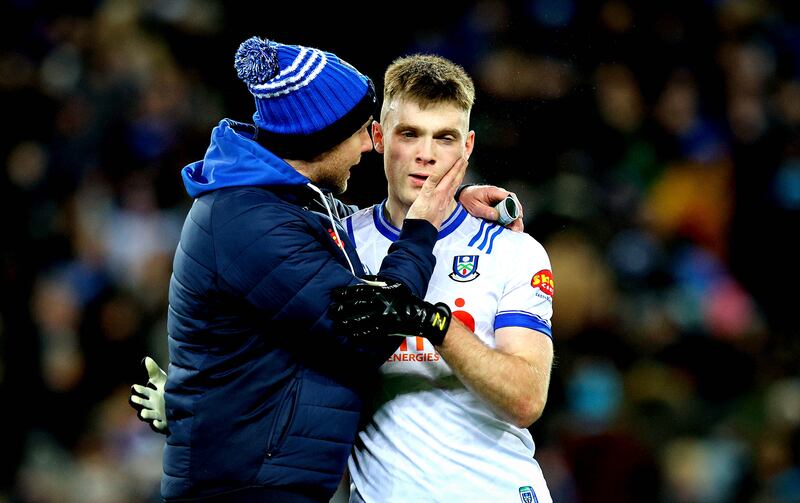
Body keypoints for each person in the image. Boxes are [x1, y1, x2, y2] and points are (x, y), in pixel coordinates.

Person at [129, 36, 518, 503]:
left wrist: (454, 211)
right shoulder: (252, 219)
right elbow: (367, 332)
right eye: (356, 131)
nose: (366, 144)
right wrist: (423, 231)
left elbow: (269, 344)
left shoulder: (291, 205)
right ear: (318, 140)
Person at [328, 54, 555, 502]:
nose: (426, 155)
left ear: (467, 147)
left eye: (444, 138)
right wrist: (193, 405)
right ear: (378, 136)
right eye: (409, 133)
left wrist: (432, 322)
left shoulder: (513, 250)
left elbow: (527, 399)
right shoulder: (339, 245)